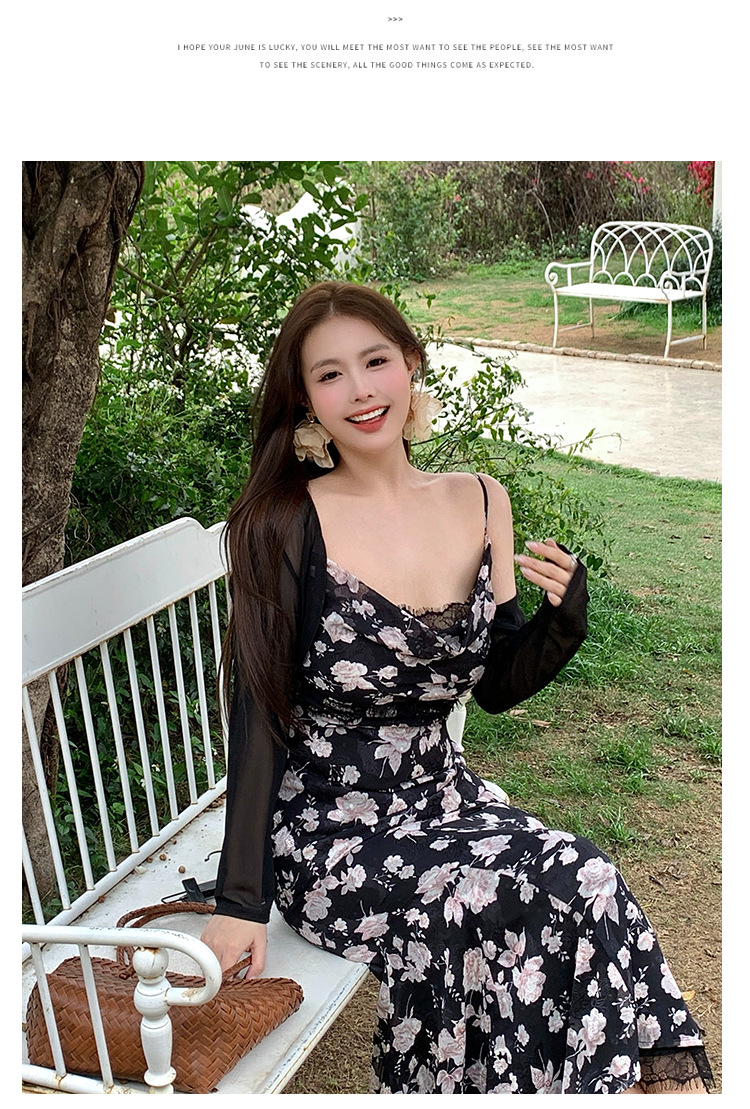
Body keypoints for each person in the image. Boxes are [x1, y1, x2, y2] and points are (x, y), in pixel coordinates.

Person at [201, 281, 713, 1094]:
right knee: (487, 901)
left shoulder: (479, 500)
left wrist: (563, 623)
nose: (360, 389)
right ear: (305, 399)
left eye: (375, 361)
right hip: (333, 830)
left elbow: (497, 683)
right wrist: (239, 900)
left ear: (410, 364)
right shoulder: (284, 522)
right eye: (331, 374)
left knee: (586, 874)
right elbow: (257, 710)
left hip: (445, 800)